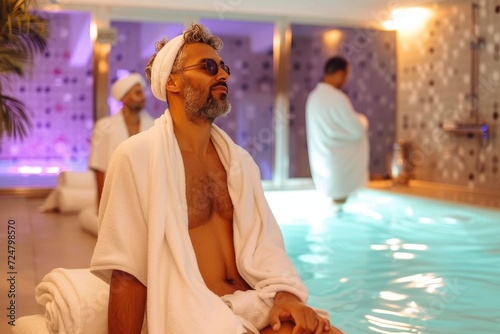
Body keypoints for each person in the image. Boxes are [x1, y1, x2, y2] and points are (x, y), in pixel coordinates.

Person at [90, 24, 344, 334]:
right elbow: (127, 275)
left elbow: (267, 246)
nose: (222, 75)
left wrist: (286, 296)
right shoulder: (137, 157)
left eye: (223, 67)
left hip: (256, 303)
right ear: (172, 81)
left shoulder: (240, 163)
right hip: (198, 314)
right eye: (208, 67)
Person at [306, 56, 369, 211]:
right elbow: (356, 131)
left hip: (324, 163)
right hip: (340, 166)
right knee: (340, 205)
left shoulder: (313, 97)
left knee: (335, 206)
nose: (345, 80)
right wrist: (362, 120)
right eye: (346, 75)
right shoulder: (337, 98)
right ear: (339, 73)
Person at [88, 73, 155, 207]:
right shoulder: (104, 126)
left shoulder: (154, 126)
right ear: (124, 98)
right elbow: (99, 168)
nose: (143, 97)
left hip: (147, 196)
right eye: (137, 93)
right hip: (116, 195)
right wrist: (101, 205)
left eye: (142, 92)